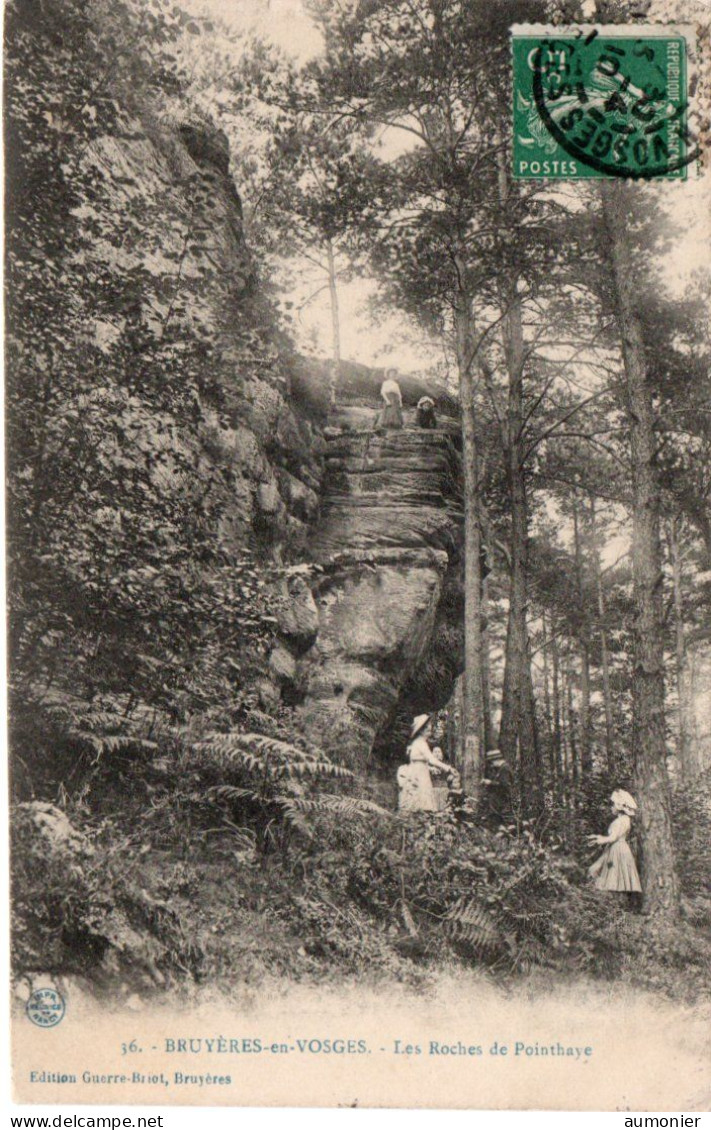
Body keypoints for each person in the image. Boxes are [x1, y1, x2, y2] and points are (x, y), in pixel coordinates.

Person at [587, 789, 642, 895]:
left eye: (613, 805)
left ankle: (612, 902)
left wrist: (598, 841)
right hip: (622, 848)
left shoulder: (619, 821)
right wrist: (597, 837)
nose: (611, 807)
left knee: (612, 877)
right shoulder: (626, 820)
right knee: (618, 877)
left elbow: (612, 838)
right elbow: (615, 836)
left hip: (616, 850)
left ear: (619, 807)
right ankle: (616, 903)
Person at [397, 714, 452, 812]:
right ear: (421, 731)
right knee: (420, 798)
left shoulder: (421, 742)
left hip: (421, 771)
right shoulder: (420, 743)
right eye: (426, 728)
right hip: (418, 773)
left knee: (423, 798)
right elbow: (431, 759)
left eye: (428, 728)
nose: (428, 730)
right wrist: (446, 767)